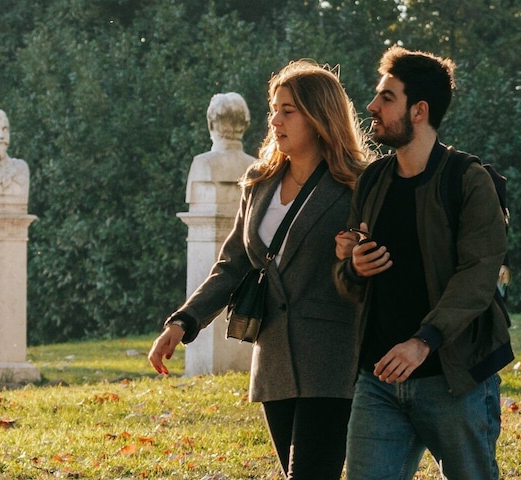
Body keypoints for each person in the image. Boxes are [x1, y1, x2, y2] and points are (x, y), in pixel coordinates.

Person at [148, 60, 372, 480]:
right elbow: (233, 265)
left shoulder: (357, 185)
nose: (275, 120)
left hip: (333, 357)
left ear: (320, 115)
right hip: (272, 357)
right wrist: (183, 322)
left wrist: (355, 256)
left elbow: (377, 268)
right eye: (274, 108)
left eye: (288, 110)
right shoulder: (259, 181)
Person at [335, 46, 513, 480]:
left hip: (454, 380)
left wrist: (423, 341)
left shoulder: (469, 181)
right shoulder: (372, 181)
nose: (372, 107)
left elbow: (478, 277)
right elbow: (347, 281)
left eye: (386, 97)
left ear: (419, 110)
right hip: (378, 380)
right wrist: (353, 266)